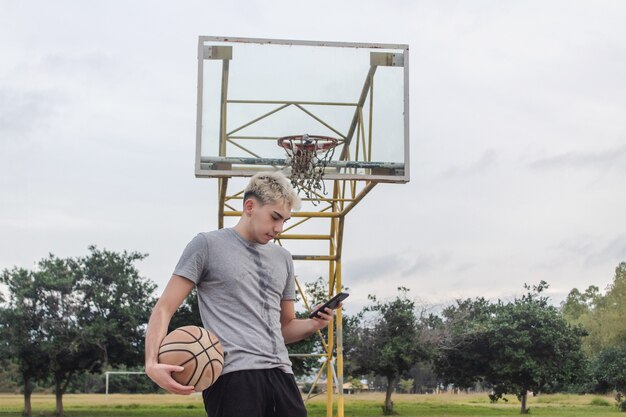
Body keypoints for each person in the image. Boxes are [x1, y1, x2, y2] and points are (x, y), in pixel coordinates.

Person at [145, 171, 335, 417]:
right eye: (274, 217)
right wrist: (151, 363)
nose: (279, 228)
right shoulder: (207, 245)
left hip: (282, 375)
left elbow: (284, 328)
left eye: (284, 221)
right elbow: (164, 308)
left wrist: (313, 323)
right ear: (249, 206)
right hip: (233, 377)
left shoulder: (283, 258)